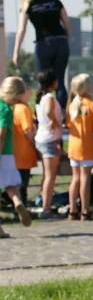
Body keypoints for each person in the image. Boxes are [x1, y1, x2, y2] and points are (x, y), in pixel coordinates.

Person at [12, 0, 71, 109]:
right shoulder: (55, 2)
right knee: (60, 82)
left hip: (44, 44)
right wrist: (66, 37)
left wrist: (16, 52)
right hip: (61, 42)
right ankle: (61, 115)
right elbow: (67, 23)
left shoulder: (28, 5)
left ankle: (43, 114)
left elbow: (21, 30)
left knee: (43, 82)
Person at [65, 74, 93, 221]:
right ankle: (85, 210)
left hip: (73, 146)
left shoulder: (72, 106)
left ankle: (72, 210)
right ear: (87, 87)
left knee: (75, 178)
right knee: (85, 179)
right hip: (87, 147)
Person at [0, 76, 33, 231]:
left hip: (3, 153)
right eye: (17, 100)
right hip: (7, 153)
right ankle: (17, 202)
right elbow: (2, 134)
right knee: (11, 185)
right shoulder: (6, 110)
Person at [33, 70, 63, 220]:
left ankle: (44, 202)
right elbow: (51, 114)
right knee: (50, 176)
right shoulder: (50, 97)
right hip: (50, 139)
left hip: (42, 138)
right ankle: (46, 208)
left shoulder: (40, 97)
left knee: (46, 175)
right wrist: (59, 125)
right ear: (53, 82)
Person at [12, 81, 38, 210]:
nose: (31, 92)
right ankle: (22, 208)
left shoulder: (13, 107)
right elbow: (28, 130)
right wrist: (35, 144)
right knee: (22, 183)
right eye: (28, 89)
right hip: (23, 153)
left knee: (14, 183)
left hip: (14, 152)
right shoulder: (23, 109)